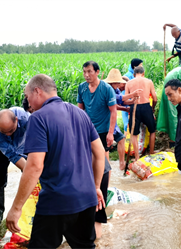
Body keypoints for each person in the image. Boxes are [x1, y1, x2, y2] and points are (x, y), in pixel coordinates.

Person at [5, 74, 105, 248]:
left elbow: (35, 166)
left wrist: (16, 208)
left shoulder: (38, 118)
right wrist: (96, 187)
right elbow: (100, 152)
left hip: (57, 201)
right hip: (86, 199)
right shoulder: (80, 113)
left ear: (37, 91)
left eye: (28, 97)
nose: (28, 102)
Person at [77, 61, 119, 238]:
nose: (87, 75)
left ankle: (102, 189)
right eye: (84, 72)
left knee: (103, 161)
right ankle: (92, 187)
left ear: (97, 72)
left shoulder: (106, 89)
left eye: (90, 72)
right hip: (87, 131)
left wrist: (111, 133)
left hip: (101, 131)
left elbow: (113, 111)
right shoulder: (82, 88)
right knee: (87, 160)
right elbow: (80, 110)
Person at [0, 107, 30, 227]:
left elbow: (39, 135)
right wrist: (32, 172)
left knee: (31, 178)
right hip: (1, 149)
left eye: (11, 130)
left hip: (24, 144)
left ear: (16, 120)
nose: (8, 134)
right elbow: (12, 155)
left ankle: (30, 212)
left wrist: (34, 171)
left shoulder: (25, 118)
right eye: (4, 132)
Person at [104, 68, 143, 170]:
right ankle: (106, 167)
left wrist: (133, 100)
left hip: (112, 119)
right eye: (118, 83)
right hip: (105, 119)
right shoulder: (107, 89)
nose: (119, 86)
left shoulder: (115, 89)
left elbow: (122, 101)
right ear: (114, 82)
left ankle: (121, 164)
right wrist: (132, 95)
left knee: (121, 139)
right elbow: (117, 100)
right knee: (105, 145)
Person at [125, 66, 157, 161]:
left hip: (134, 107)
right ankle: (151, 152)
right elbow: (155, 98)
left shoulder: (129, 83)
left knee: (133, 133)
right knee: (152, 130)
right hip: (146, 107)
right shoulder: (148, 81)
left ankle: (136, 157)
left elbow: (126, 98)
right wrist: (152, 108)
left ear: (134, 74)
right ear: (143, 73)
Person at [122, 58, 144, 132]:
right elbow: (124, 92)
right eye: (140, 66)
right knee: (128, 124)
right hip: (128, 103)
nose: (142, 67)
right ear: (135, 67)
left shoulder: (137, 75)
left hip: (134, 103)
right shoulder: (127, 76)